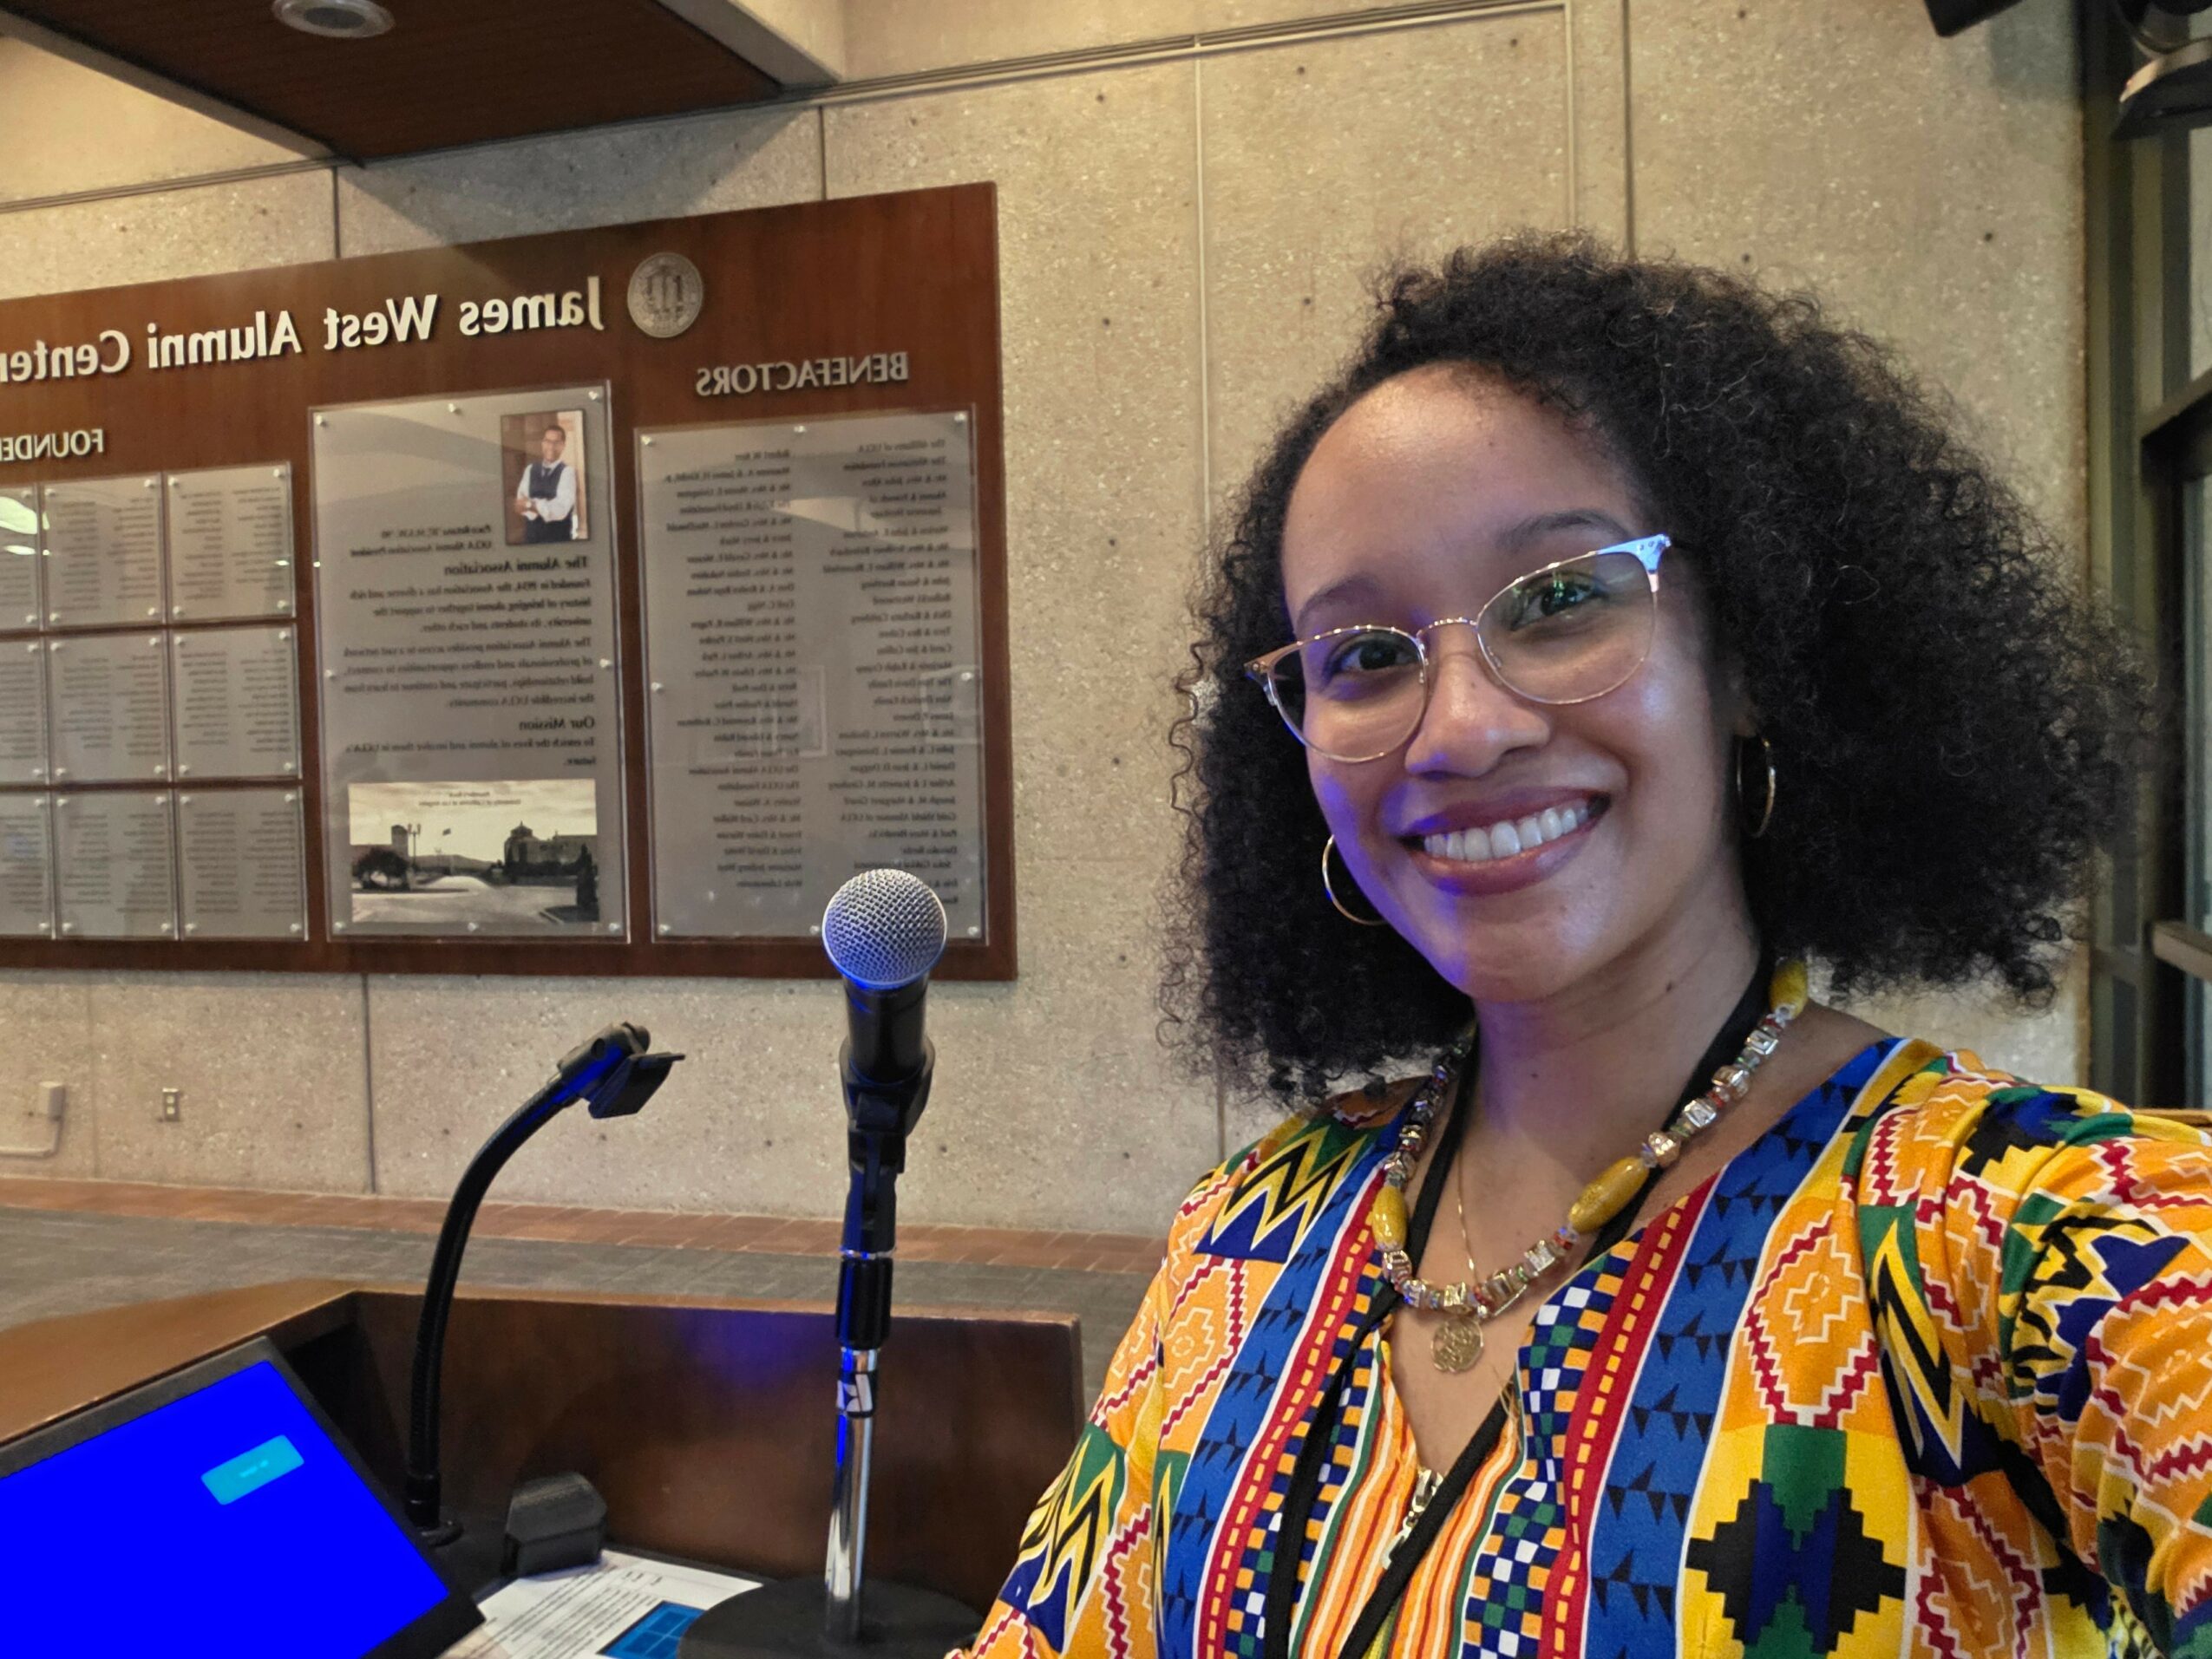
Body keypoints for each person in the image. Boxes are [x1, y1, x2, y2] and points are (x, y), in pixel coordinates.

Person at [959, 235, 2208, 1656]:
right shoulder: (1251, 1231)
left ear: (1746, 662)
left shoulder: (2038, 1234)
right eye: (1363, 653)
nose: (1463, 726)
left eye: (1559, 600)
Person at [514, 421, 578, 542]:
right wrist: (540, 507)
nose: (551, 447)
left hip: (558, 540)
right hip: (531, 540)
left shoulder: (568, 472)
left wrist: (530, 505)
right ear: (542, 443)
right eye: (547, 441)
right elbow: (519, 505)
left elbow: (561, 509)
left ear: (563, 445)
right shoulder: (530, 469)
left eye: (556, 443)